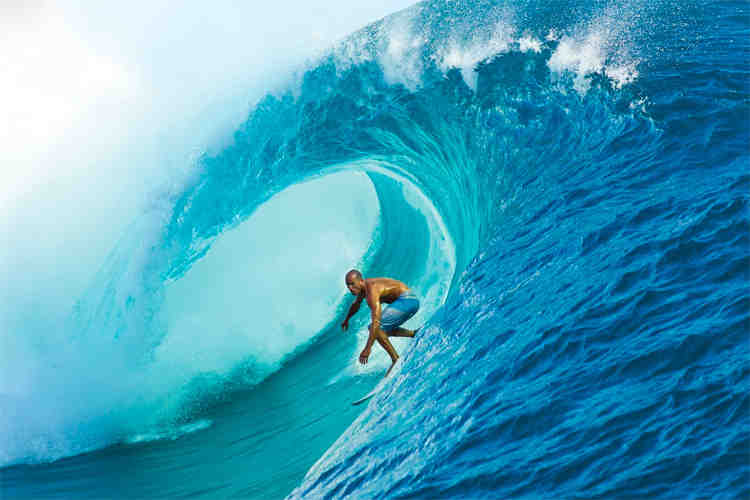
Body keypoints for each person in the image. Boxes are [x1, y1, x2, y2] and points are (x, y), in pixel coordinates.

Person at [340, 269, 420, 375]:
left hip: (408, 301)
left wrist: (368, 349)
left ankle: (395, 359)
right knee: (381, 333)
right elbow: (356, 305)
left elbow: (376, 322)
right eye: (348, 285)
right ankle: (413, 333)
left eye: (352, 284)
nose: (350, 288)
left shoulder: (372, 291)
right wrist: (347, 319)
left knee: (375, 328)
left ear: (360, 281)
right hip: (409, 301)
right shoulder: (364, 288)